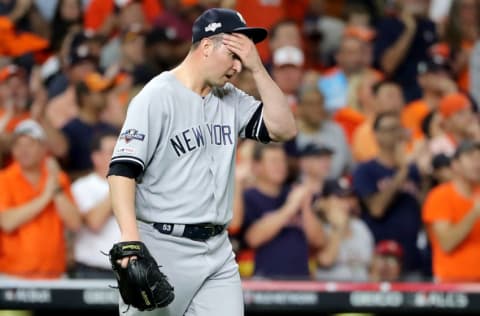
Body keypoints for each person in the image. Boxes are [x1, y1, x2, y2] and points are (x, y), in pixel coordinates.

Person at [107, 8, 296, 316]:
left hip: (218, 249)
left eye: (242, 58)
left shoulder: (230, 97)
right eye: (234, 55)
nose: (238, 66)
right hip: (164, 245)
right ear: (206, 46)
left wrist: (258, 68)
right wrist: (130, 239)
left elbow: (284, 128)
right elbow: (121, 171)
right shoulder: (156, 96)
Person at [0, 120, 81, 279]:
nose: (23, 150)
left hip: (54, 272)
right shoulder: (4, 179)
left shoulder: (58, 179)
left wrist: (55, 187)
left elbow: (75, 223)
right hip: (12, 274)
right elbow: (7, 222)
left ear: (44, 148)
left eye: (30, 144)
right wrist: (46, 197)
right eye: (18, 145)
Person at [353, 111, 424, 276]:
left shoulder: (414, 171)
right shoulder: (366, 169)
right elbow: (377, 209)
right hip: (380, 259)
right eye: (389, 129)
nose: (394, 134)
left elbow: (423, 208)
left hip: (411, 256)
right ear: (376, 134)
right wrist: (401, 173)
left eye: (397, 129)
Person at [242, 143, 323, 279]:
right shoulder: (249, 197)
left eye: (282, 160)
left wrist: (305, 208)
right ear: (256, 167)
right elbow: (253, 239)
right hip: (264, 283)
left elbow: (319, 241)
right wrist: (290, 207)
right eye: (273, 161)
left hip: (301, 281)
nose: (280, 166)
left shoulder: (295, 193)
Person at [422, 141, 480, 282]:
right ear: (455, 165)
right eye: (471, 158)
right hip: (452, 286)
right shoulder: (440, 196)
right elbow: (447, 243)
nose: (477, 163)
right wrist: (475, 212)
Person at [71, 131, 120, 279]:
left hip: (130, 272)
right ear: (96, 157)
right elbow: (94, 222)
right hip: (92, 270)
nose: (120, 156)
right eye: (113, 151)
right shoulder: (82, 186)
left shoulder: (137, 186)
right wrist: (119, 183)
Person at [314, 178, 374, 282]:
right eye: (339, 197)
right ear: (323, 201)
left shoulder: (360, 226)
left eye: (349, 197)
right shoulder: (317, 226)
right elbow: (326, 260)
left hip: (361, 292)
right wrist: (338, 227)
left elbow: (372, 266)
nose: (346, 203)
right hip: (329, 294)